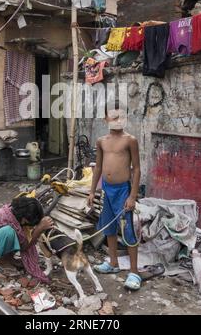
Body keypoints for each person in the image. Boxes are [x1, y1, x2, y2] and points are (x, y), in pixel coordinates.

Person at [88, 101, 142, 290]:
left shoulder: (130, 140)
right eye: (113, 116)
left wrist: (132, 196)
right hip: (107, 191)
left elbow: (136, 170)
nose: (117, 120)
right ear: (106, 119)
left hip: (122, 190)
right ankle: (113, 263)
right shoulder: (101, 141)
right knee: (109, 227)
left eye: (121, 116)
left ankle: (134, 272)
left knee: (128, 231)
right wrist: (93, 190)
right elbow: (98, 168)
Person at [0, 195, 53, 283]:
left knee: (18, 234)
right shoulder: (6, 218)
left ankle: (9, 258)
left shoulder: (16, 214)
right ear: (24, 219)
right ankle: (4, 262)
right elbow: (24, 246)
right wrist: (39, 229)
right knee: (10, 232)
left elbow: (25, 241)